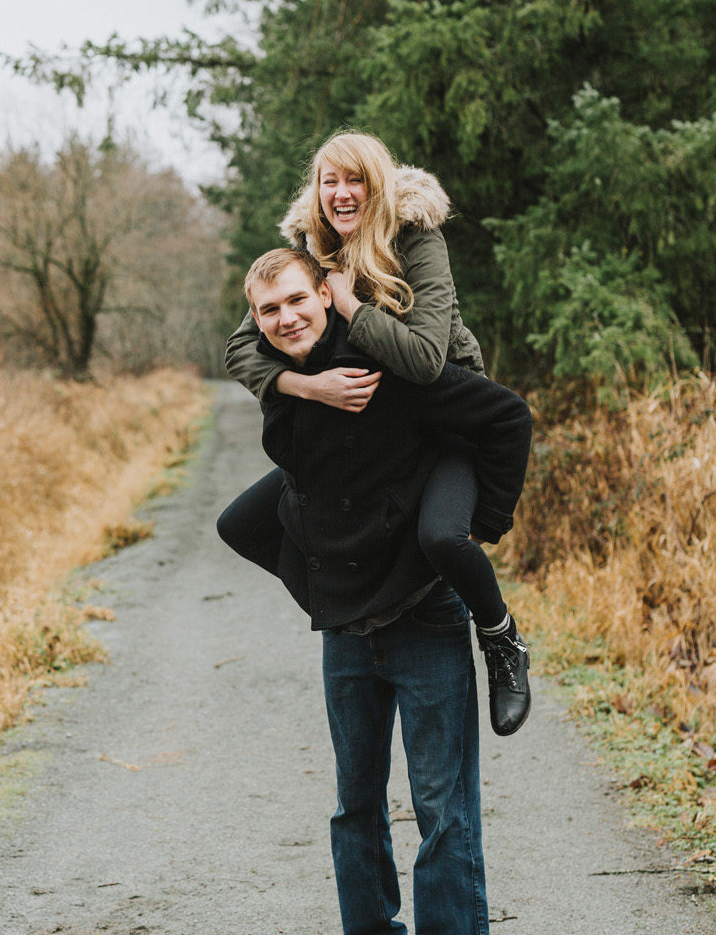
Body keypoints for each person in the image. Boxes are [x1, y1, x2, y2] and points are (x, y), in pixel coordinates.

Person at [226, 247, 532, 935]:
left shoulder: (388, 363)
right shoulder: (282, 382)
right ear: (255, 320)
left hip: (425, 616)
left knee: (441, 807)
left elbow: (506, 419)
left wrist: (478, 528)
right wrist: (322, 586)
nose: (286, 317)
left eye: (298, 300)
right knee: (354, 805)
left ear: (327, 294)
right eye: (269, 310)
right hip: (347, 629)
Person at [220, 131, 530, 736]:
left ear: (378, 183)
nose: (341, 194)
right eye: (328, 181)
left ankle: (501, 640)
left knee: (443, 538)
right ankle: (347, 597)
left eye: (353, 179)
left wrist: (349, 307)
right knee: (241, 524)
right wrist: (306, 388)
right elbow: (241, 345)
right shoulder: (313, 248)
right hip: (364, 421)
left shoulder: (416, 238)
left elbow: (423, 361)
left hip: (444, 418)